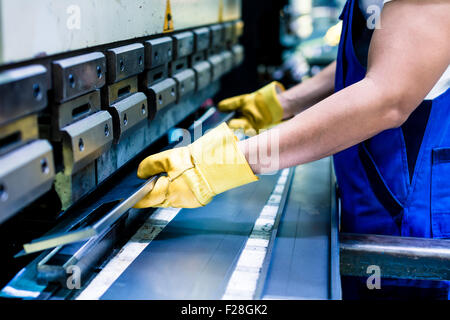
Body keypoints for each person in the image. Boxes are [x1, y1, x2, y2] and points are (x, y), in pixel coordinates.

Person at [135, 0, 450, 299]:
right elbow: (381, 58)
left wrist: (226, 162)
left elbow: (387, 99)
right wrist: (284, 103)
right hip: (374, 203)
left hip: (412, 221)